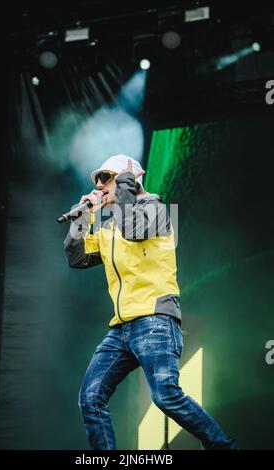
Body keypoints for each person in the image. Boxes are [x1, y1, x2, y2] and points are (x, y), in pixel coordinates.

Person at [63, 154, 238, 450]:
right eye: (98, 181)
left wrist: (127, 188)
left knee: (166, 396)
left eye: (107, 178)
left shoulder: (157, 210)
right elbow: (76, 257)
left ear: (130, 180)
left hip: (154, 319)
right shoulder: (108, 230)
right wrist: (83, 216)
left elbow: (133, 230)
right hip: (121, 329)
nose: (100, 185)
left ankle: (224, 447)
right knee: (90, 398)